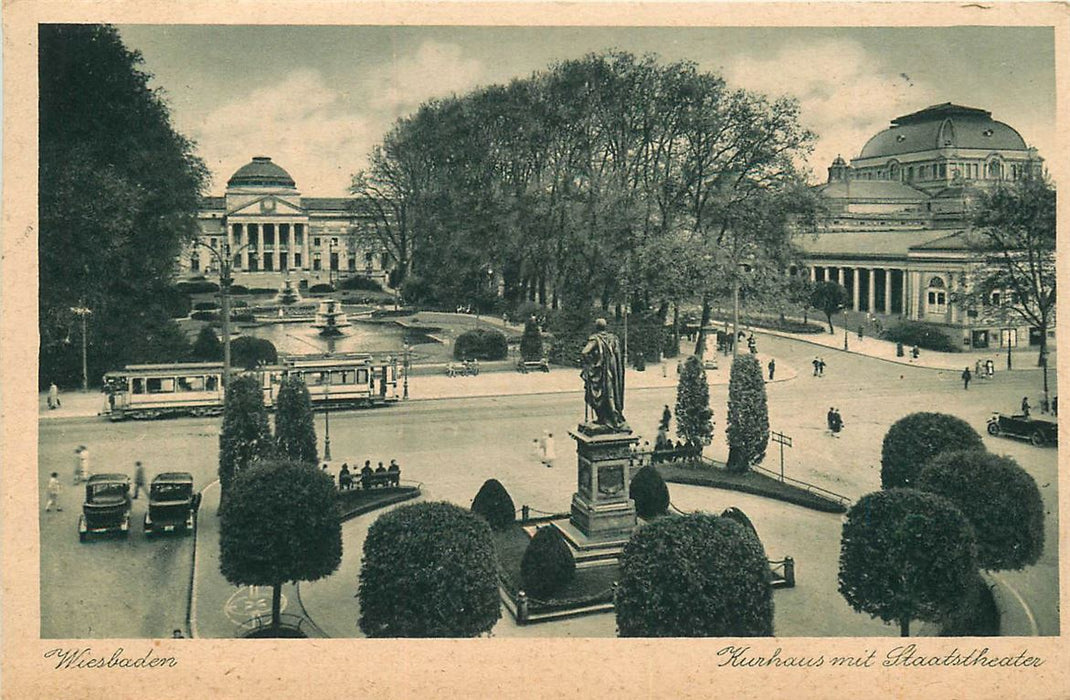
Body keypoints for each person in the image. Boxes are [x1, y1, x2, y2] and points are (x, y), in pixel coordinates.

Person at [580, 318, 628, 431]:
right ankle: (610, 417)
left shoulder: (595, 339)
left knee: (601, 394)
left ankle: (607, 418)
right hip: (612, 370)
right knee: (611, 393)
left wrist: (592, 364)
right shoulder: (613, 338)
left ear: (596, 327)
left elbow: (584, 352)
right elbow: (617, 355)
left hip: (601, 372)